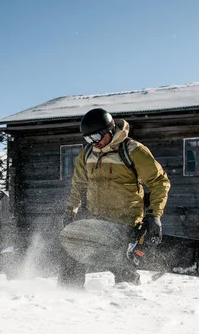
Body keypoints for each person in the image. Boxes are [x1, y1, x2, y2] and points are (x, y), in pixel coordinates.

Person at [59, 108, 171, 288]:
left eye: (95, 137)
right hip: (97, 218)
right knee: (73, 245)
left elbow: (159, 181)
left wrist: (154, 215)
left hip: (125, 221)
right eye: (88, 139)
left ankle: (127, 297)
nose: (93, 143)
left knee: (119, 262)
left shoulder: (133, 150)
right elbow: (78, 184)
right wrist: (71, 209)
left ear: (109, 131)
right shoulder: (87, 154)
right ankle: (69, 295)